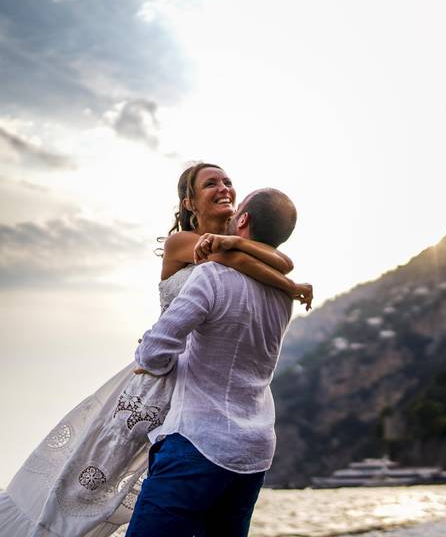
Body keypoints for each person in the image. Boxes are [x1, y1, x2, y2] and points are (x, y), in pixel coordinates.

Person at [0, 163, 311, 537]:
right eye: (211, 183)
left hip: (190, 392)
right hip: (154, 381)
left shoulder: (237, 255)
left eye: (228, 181)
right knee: (88, 481)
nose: (224, 187)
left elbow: (275, 261)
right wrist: (284, 282)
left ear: (243, 216)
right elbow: (240, 262)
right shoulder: (186, 243)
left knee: (151, 491)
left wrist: (269, 266)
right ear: (190, 201)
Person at [125, 187, 299, 536]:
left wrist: (150, 359)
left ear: (244, 220)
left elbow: (155, 351)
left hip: (198, 441)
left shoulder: (213, 275)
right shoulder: (283, 293)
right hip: (253, 452)